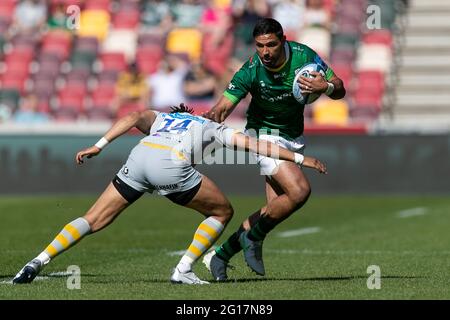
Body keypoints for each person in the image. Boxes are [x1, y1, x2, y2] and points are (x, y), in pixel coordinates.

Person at [12, 103, 327, 285]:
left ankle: (36, 262)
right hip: (170, 165)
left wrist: (99, 145)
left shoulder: (163, 117)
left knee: (92, 219)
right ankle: (184, 269)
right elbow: (257, 145)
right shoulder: (210, 125)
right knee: (222, 212)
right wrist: (301, 159)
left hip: (139, 157)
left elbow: (134, 115)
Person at [202, 18, 345, 281]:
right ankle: (253, 239)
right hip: (264, 135)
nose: (265, 52)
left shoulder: (304, 56)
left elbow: (340, 88)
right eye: (259, 46)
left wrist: (325, 87)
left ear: (283, 40)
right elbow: (223, 106)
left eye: (271, 45)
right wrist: (210, 117)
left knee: (274, 209)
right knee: (299, 191)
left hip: (293, 134)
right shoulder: (251, 69)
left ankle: (222, 254)